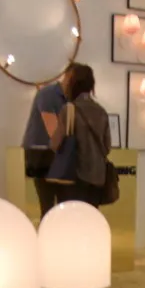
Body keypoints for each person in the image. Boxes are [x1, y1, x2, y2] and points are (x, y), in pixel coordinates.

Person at [49, 64, 111, 207]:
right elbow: (107, 147)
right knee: (90, 216)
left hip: (74, 178)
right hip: (97, 178)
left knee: (70, 217)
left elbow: (55, 144)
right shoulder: (101, 111)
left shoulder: (69, 110)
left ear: (73, 84)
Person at [22, 65, 78, 218]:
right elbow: (54, 131)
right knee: (47, 206)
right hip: (41, 155)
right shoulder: (48, 94)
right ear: (68, 76)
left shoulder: (71, 98)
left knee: (64, 205)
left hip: (59, 154)